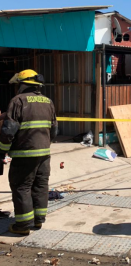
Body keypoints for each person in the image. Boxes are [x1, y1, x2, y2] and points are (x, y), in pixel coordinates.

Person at [0, 69, 57, 235]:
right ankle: (38, 220)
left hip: (24, 155)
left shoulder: (17, 101)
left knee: (21, 187)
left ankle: (23, 226)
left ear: (23, 84)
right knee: (40, 186)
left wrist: (2, 150)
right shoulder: (48, 102)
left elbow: (8, 131)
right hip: (44, 154)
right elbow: (54, 131)